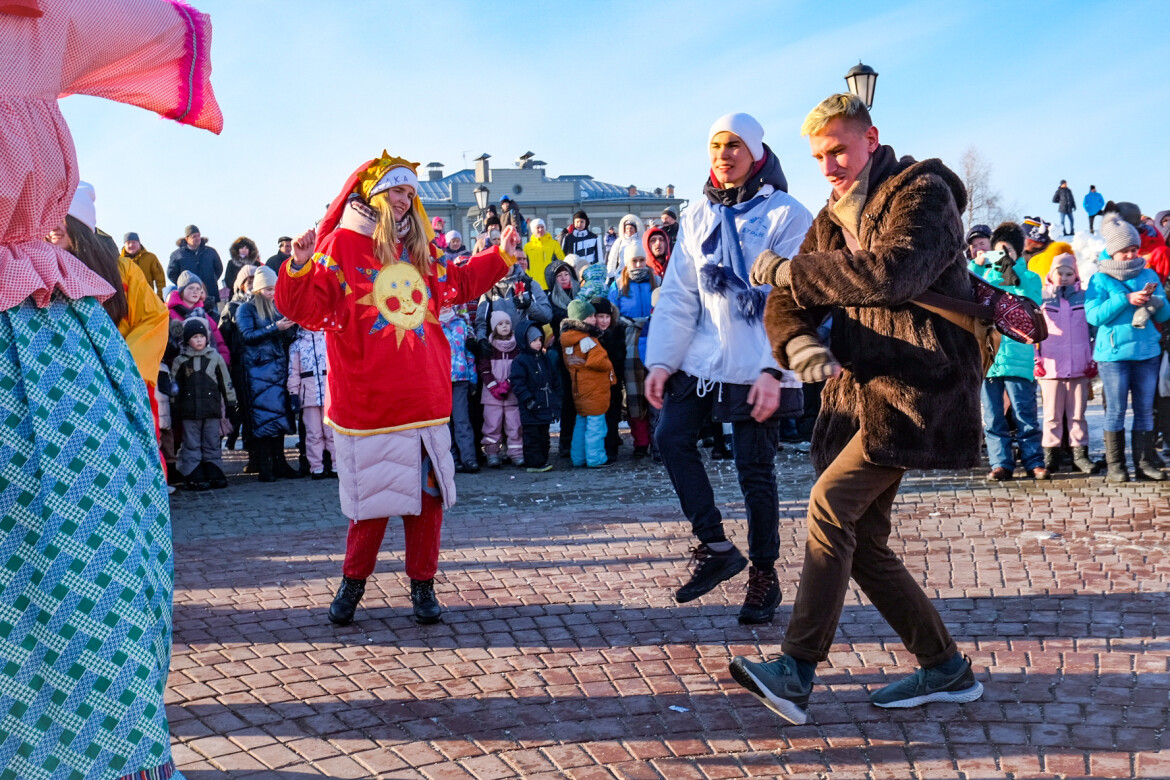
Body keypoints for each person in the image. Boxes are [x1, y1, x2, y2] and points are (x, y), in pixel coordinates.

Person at [0, 2, 223, 777]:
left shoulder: (35, 22)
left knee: (95, 588)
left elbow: (157, 35)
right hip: (50, 353)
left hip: (45, 357)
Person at [735, 93, 983, 723]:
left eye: (839, 149)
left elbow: (893, 271)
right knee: (865, 542)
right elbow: (788, 301)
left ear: (871, 139)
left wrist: (793, 273)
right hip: (860, 396)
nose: (830, 165)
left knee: (828, 505)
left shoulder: (923, 193)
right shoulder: (828, 217)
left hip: (918, 388)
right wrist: (796, 342)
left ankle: (795, 670)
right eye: (819, 155)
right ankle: (946, 668)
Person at [276, 152, 519, 626]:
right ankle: (353, 584)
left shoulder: (422, 250)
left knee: (426, 503)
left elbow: (461, 282)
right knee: (370, 506)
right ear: (374, 195)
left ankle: (423, 586)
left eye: (410, 192)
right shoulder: (344, 245)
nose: (405, 200)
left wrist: (501, 255)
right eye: (396, 190)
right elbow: (308, 307)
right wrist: (299, 265)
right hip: (370, 400)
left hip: (424, 399)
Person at [645, 111, 811, 626]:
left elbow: (794, 301)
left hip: (755, 358)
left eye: (734, 144)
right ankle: (716, 545)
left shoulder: (788, 215)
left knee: (754, 470)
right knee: (671, 439)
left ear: (757, 151)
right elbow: (678, 295)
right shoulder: (696, 213)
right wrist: (661, 359)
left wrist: (772, 368)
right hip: (702, 356)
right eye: (716, 145)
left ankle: (764, 573)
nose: (724, 154)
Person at [1086, 213, 1170, 482]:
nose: (1132, 254)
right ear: (1113, 251)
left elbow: (1164, 315)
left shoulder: (1147, 272)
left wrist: (1157, 302)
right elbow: (1095, 316)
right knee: (1117, 410)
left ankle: (1144, 463)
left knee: (1145, 410)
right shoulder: (1100, 279)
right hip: (1114, 356)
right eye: (1126, 251)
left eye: (1134, 249)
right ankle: (1116, 466)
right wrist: (1126, 298)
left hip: (1147, 353)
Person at [972, 223, 1047, 481]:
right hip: (989, 359)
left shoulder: (1029, 277)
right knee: (993, 419)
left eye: (1008, 250)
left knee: (1025, 415)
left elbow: (1031, 298)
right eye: (999, 250)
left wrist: (1012, 268)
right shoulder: (983, 276)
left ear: (1018, 252)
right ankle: (1000, 464)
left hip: (1018, 359)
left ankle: (1034, 462)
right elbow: (967, 292)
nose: (1003, 255)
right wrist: (978, 265)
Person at [1036, 253, 1097, 474]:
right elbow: (1032, 333)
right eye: (1059, 273)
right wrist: (1037, 359)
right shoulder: (1041, 298)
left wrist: (1093, 358)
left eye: (1069, 273)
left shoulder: (1085, 297)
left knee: (1078, 415)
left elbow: (1095, 330)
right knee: (1051, 416)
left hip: (1079, 365)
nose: (1063, 277)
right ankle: (1050, 457)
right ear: (1051, 275)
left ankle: (1080, 456)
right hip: (1050, 368)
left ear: (1075, 275)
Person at [237, 266, 300, 483]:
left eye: (275, 288)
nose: (273, 292)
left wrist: (290, 327)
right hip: (259, 371)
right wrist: (276, 327)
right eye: (269, 289)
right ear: (259, 289)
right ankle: (265, 466)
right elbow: (247, 336)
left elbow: (288, 335)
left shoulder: (279, 307)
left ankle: (280, 462)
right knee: (263, 418)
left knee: (280, 417)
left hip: (278, 368)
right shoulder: (246, 309)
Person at [172, 318, 235, 489]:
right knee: (191, 442)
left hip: (211, 409)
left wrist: (231, 404)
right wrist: (174, 407)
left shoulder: (215, 358)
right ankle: (193, 472)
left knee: (212, 441)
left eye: (202, 336)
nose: (199, 340)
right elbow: (175, 387)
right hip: (189, 411)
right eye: (194, 337)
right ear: (187, 340)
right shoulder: (181, 361)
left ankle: (214, 470)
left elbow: (226, 381)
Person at [609, 243, 657, 455]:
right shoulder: (618, 284)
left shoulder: (657, 280)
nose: (638, 265)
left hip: (653, 334)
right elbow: (613, 314)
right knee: (634, 392)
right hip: (629, 337)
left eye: (641, 260)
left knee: (655, 390)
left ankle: (658, 440)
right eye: (634, 261)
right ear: (627, 263)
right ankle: (641, 440)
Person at [560, 299, 615, 468]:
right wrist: (609, 364)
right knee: (596, 426)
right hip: (594, 388)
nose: (594, 319)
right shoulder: (587, 339)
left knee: (581, 424)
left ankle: (578, 457)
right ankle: (595, 458)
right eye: (590, 316)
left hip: (579, 387)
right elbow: (596, 361)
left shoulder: (567, 339)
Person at [510, 324, 561, 472]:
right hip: (531, 406)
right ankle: (533, 462)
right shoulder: (521, 360)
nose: (538, 343)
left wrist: (555, 398)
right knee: (532, 436)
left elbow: (553, 379)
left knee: (544, 436)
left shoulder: (543, 358)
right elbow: (518, 382)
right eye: (534, 340)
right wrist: (528, 400)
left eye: (540, 339)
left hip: (544, 403)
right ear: (525, 341)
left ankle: (542, 460)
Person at [288, 323, 336, 479]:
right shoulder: (297, 345)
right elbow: (293, 372)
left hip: (329, 392)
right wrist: (293, 393)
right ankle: (316, 467)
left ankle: (336, 465)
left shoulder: (329, 339)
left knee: (331, 432)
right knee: (313, 433)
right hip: (308, 394)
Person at [479, 311, 524, 467]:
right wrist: (494, 387)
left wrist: (508, 383)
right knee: (492, 425)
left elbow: (519, 369)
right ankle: (492, 453)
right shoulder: (489, 348)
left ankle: (516, 453)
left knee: (515, 425)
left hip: (512, 394)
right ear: (494, 327)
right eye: (500, 324)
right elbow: (484, 369)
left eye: (507, 323)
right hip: (492, 396)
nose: (504, 326)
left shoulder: (516, 347)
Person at [546, 258, 582, 456]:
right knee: (568, 397)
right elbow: (556, 317)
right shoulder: (551, 298)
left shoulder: (582, 292)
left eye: (566, 273)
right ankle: (566, 442)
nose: (563, 277)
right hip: (564, 353)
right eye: (559, 275)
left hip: (584, 350)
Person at [441, 304, 479, 473]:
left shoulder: (461, 324)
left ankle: (468, 458)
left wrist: (473, 378)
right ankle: (451, 459)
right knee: (444, 422)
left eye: (447, 304)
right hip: (440, 380)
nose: (443, 307)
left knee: (462, 419)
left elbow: (469, 354)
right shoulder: (432, 325)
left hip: (460, 378)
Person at [474, 261, 551, 341]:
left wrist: (529, 306)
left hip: (526, 344)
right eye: (502, 261)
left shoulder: (530, 284)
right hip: (498, 347)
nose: (507, 264)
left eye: (508, 259)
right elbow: (481, 323)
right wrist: (481, 340)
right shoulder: (489, 290)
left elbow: (547, 316)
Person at [168, 270, 232, 364]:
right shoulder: (170, 314)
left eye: (198, 288)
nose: (195, 291)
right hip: (181, 367)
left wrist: (224, 362)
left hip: (207, 366)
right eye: (190, 288)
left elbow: (218, 340)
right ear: (181, 291)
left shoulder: (203, 314)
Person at [592, 297, 627, 460]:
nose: (604, 321)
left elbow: (620, 358)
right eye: (600, 317)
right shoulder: (590, 336)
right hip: (595, 384)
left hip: (613, 382)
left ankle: (611, 448)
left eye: (607, 317)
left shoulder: (618, 332)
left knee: (612, 416)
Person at [167, 224, 223, 311]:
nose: (197, 238)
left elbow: (219, 269)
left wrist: (211, 279)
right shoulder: (177, 255)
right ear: (187, 239)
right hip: (188, 299)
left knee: (213, 321)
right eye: (194, 236)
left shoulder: (210, 252)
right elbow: (171, 273)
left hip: (210, 295)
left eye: (198, 235)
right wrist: (184, 284)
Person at [121, 230, 167, 298]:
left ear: (139, 243)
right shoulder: (120, 261)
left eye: (134, 242)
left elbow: (160, 279)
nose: (131, 245)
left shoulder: (150, 258)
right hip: (127, 299)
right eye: (128, 243)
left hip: (147, 297)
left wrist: (161, 297)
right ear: (124, 245)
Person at [523, 218, 565, 289]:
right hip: (534, 283)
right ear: (533, 230)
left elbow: (562, 260)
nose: (540, 230)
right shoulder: (527, 247)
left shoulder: (554, 244)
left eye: (542, 227)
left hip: (550, 282)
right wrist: (528, 277)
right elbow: (523, 265)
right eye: (538, 227)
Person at [605, 214, 645, 281]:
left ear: (635, 229)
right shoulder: (619, 241)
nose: (629, 230)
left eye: (631, 228)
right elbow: (612, 258)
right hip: (621, 274)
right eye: (627, 228)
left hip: (638, 273)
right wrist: (610, 275)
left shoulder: (641, 241)